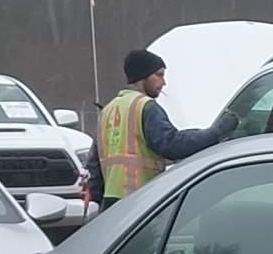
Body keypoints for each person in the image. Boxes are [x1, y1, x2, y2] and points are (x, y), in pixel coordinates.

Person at [96, 48, 228, 202]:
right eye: (159, 75)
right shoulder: (145, 106)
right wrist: (215, 133)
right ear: (142, 76)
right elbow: (171, 144)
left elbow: (95, 165)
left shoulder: (108, 111)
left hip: (111, 202)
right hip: (140, 200)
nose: (164, 82)